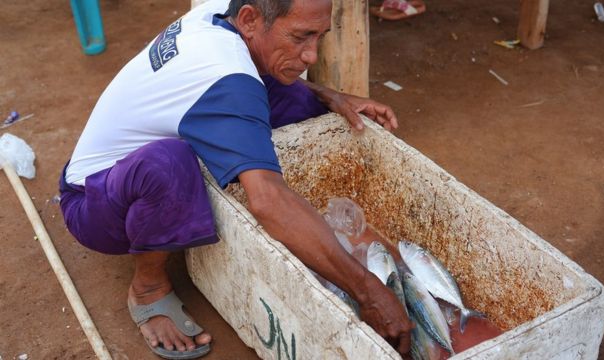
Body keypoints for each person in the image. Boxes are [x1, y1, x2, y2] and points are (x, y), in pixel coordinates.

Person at [59, 0, 413, 358]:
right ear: (249, 19)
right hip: (93, 202)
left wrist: (331, 96)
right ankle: (148, 288)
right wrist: (367, 290)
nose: (311, 56)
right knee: (171, 164)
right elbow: (267, 200)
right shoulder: (226, 77)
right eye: (301, 37)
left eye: (320, 37)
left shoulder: (221, 12)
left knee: (293, 96)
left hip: (129, 168)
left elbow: (253, 78)